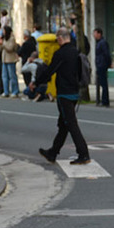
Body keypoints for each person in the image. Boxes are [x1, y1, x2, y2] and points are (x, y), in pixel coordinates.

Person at [36, 27, 91, 165]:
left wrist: (35, 83)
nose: (57, 41)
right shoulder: (76, 52)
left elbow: (50, 71)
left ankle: (83, 153)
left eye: (57, 39)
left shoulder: (60, 54)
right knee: (63, 124)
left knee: (71, 124)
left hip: (64, 93)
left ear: (60, 38)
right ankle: (53, 153)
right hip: (74, 92)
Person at [0, 26, 20, 97]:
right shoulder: (4, 38)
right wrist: (0, 44)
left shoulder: (12, 39)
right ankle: (6, 91)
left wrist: (3, 44)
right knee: (4, 76)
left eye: (4, 31)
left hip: (10, 59)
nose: (3, 32)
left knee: (12, 76)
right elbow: (1, 49)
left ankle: (15, 91)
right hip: (4, 59)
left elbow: (10, 48)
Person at [94, 27, 111, 107]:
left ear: (99, 34)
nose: (94, 35)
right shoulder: (99, 43)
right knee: (102, 83)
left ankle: (105, 100)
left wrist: (108, 63)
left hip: (102, 65)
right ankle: (104, 99)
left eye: (95, 33)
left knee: (104, 84)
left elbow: (106, 54)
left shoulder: (102, 43)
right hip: (100, 64)